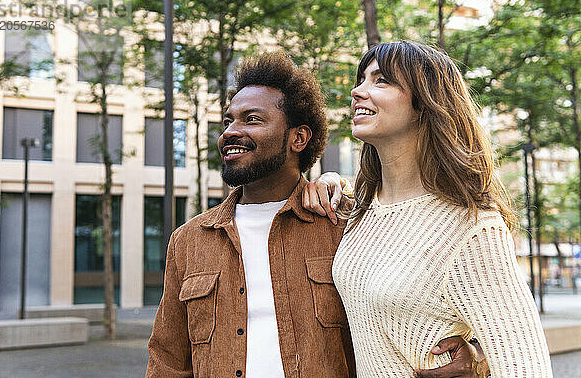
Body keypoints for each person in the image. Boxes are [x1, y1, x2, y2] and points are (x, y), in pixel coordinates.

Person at [145, 50, 485, 378]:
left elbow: (416, 309)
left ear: (298, 138)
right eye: (228, 121)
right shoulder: (188, 241)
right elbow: (168, 361)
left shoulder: (347, 224)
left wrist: (476, 356)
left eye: (252, 119)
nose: (231, 132)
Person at [303, 41, 553, 377]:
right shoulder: (362, 210)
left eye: (380, 81)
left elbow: (527, 365)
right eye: (361, 79)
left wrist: (478, 362)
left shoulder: (473, 230)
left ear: (426, 103)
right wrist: (329, 181)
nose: (357, 91)